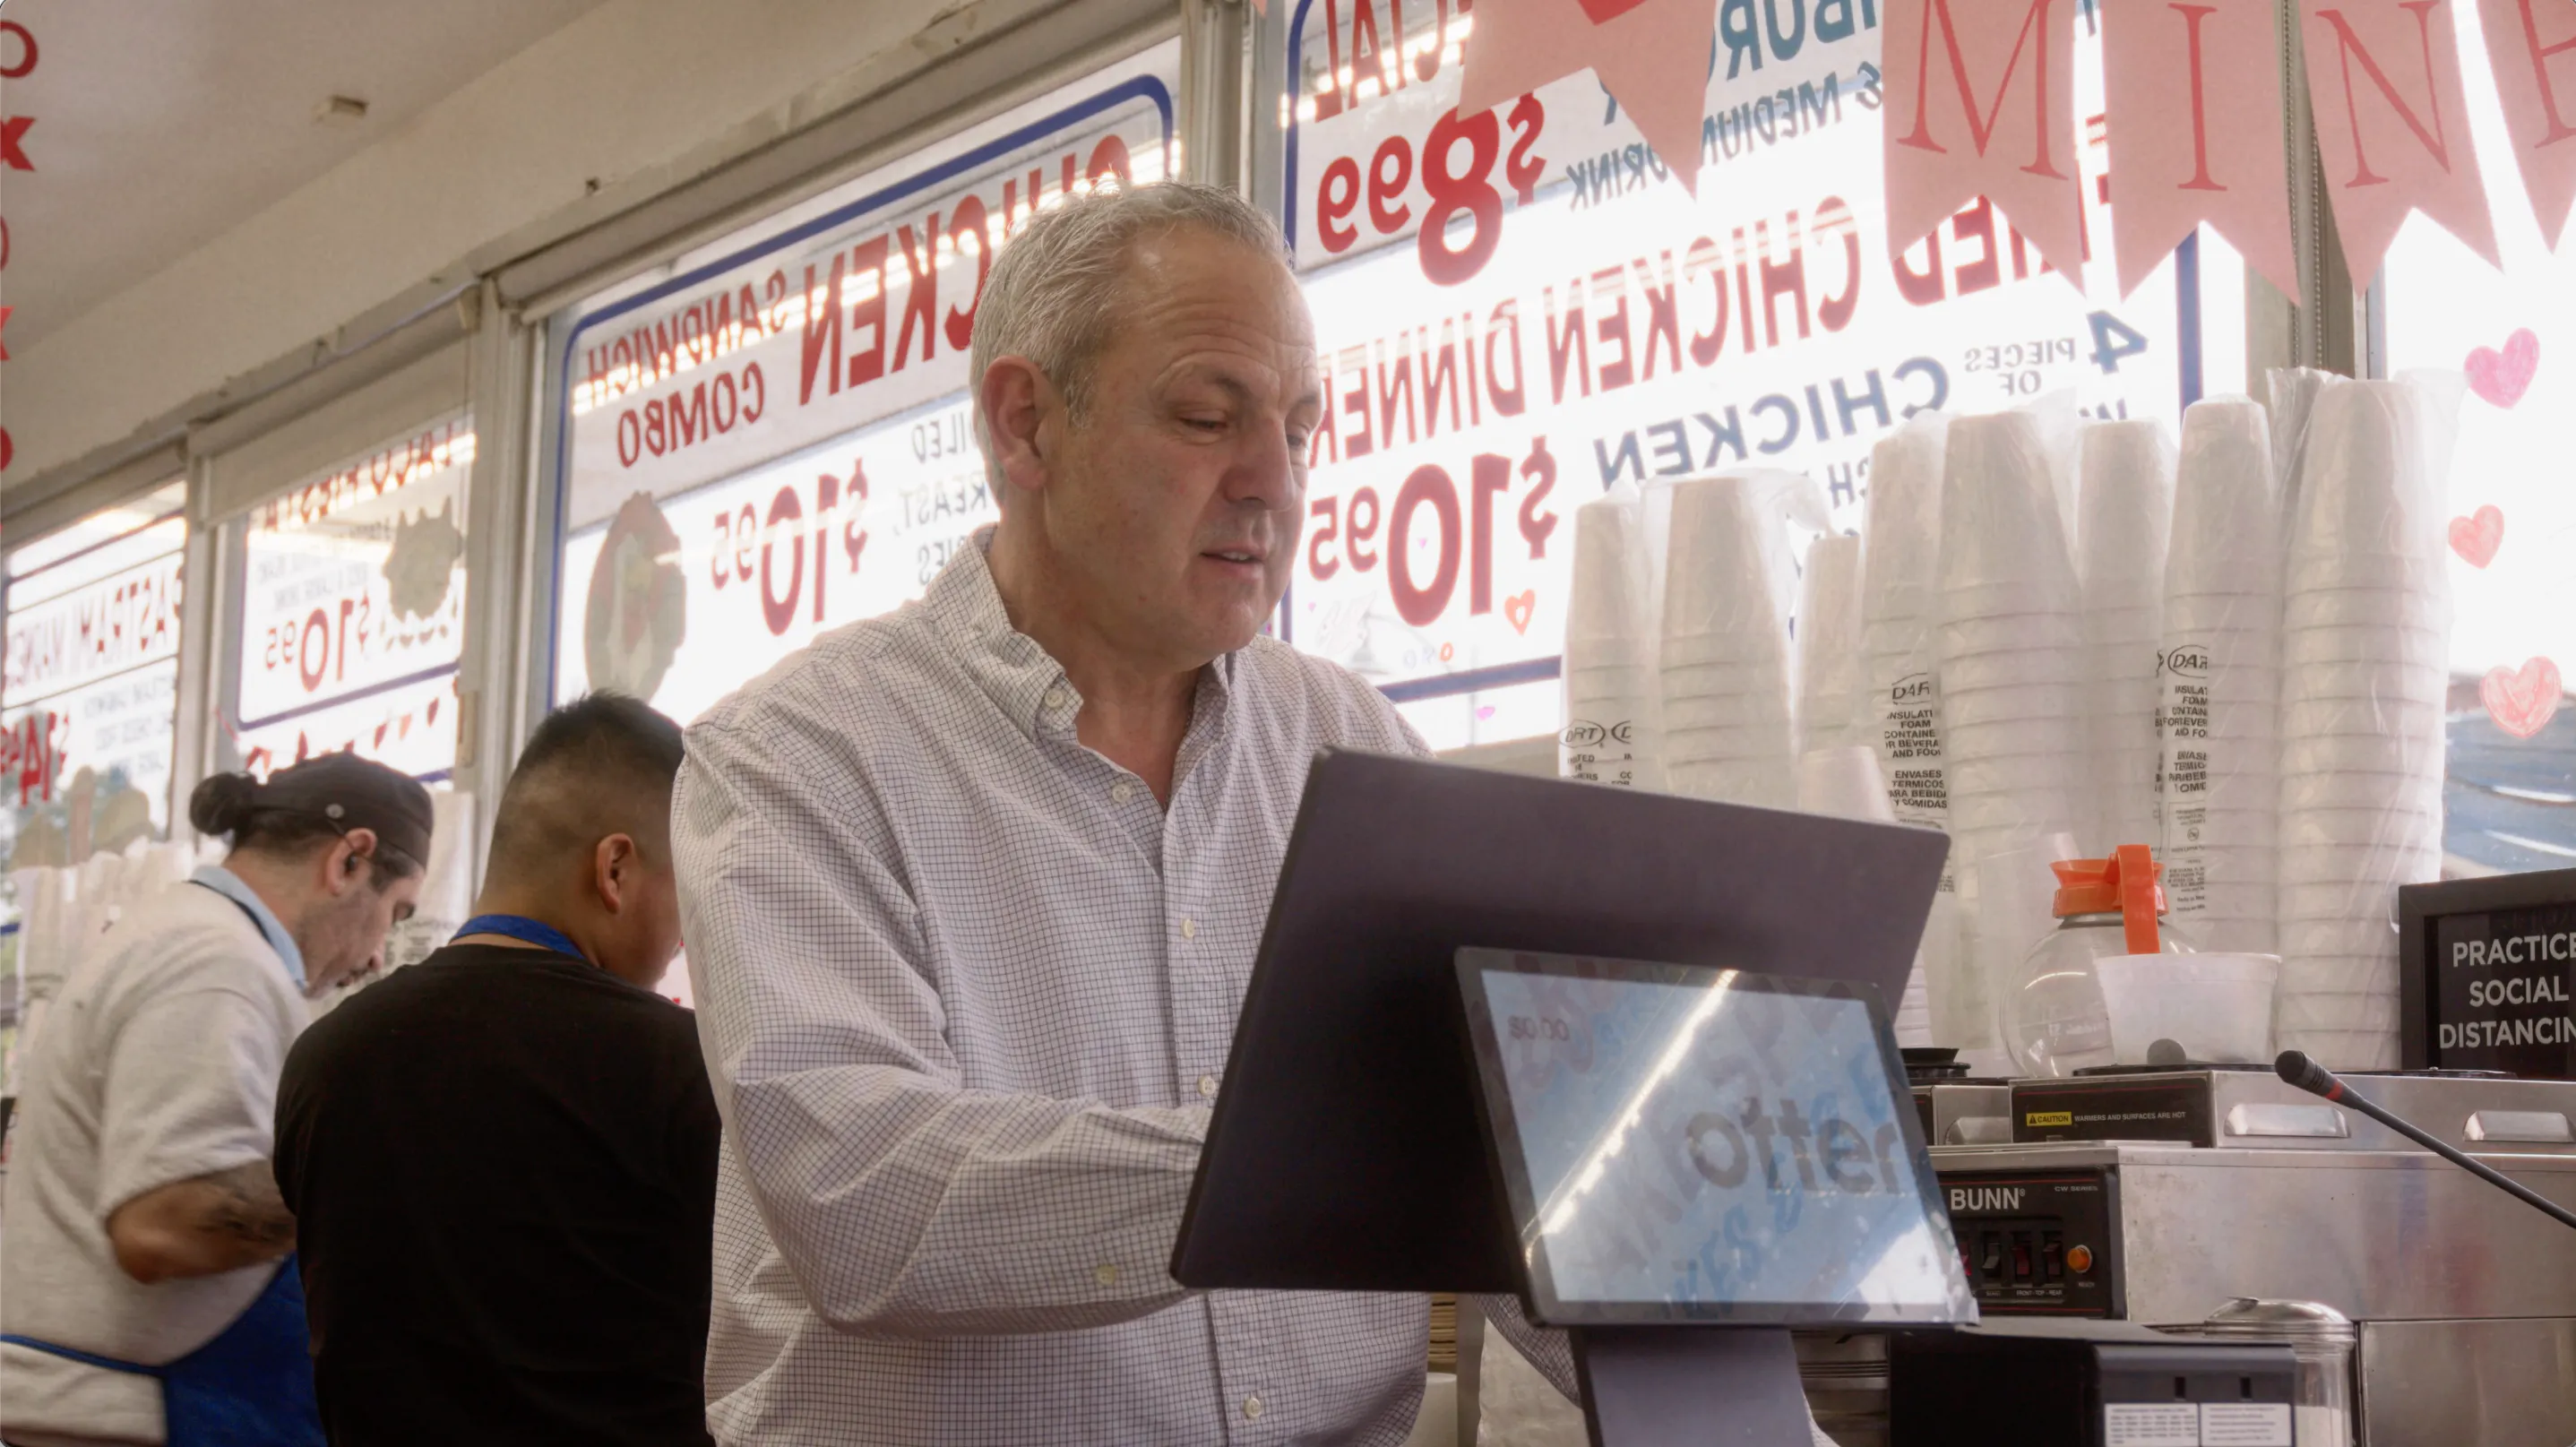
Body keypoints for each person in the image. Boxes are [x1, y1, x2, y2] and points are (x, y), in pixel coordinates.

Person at [671, 181, 1579, 1445]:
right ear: (1024, 422)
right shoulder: (802, 753)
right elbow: (861, 1191)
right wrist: (1315, 1159)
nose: (1272, 480)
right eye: (1208, 417)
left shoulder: (1355, 749)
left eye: (1300, 427)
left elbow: (1514, 1172)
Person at [271, 693, 717, 1447]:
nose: (682, 940)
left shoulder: (325, 1059)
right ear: (615, 868)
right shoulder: (679, 1065)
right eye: (688, 894)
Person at [0, 754, 433, 1447]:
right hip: (116, 1420)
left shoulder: (192, 936)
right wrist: (374, 1190)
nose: (381, 953)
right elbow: (163, 1222)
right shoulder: (217, 962)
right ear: (350, 860)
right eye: (396, 909)